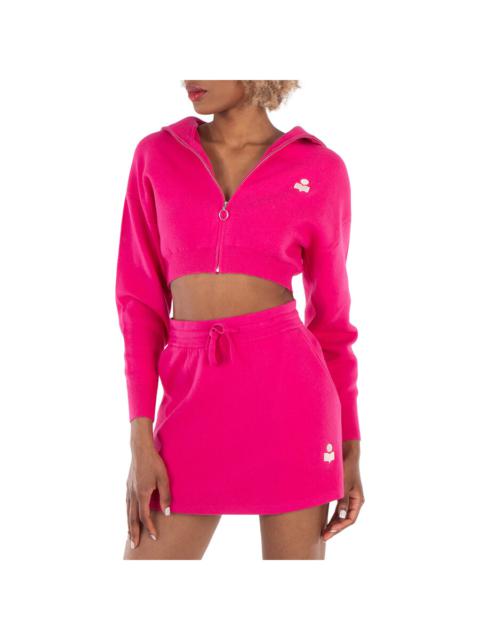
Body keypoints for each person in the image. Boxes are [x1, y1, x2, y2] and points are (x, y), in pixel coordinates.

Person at [115, 80, 365, 560]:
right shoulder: (157, 156)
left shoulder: (320, 167)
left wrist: (350, 445)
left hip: (292, 404)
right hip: (190, 403)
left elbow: (332, 323)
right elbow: (138, 306)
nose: (191, 75)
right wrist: (140, 437)